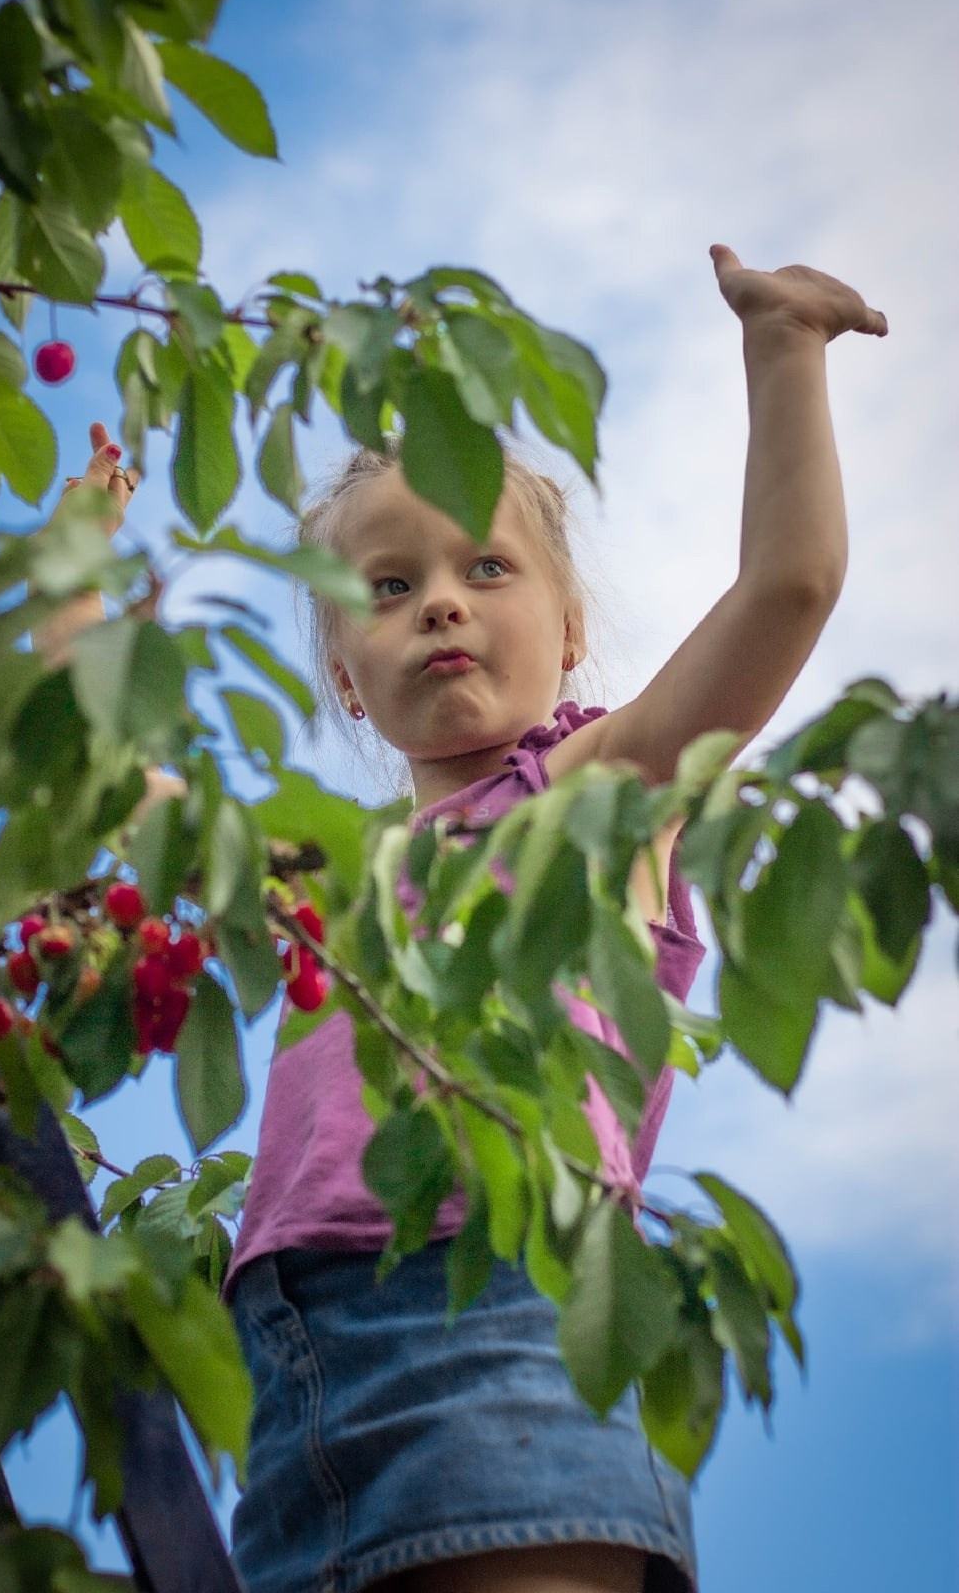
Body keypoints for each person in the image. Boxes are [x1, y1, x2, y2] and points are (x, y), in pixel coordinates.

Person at [220, 245, 886, 1593]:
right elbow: (114, 822)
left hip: (497, 1319)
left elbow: (786, 589)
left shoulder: (590, 793)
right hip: (293, 1377)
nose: (442, 601)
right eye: (389, 588)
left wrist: (783, 349)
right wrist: (66, 624)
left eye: (484, 566)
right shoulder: (331, 869)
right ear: (347, 680)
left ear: (571, 629)